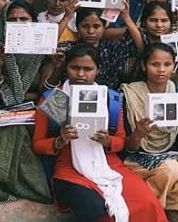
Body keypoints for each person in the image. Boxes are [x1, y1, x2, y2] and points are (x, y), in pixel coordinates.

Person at [32, 44, 167, 222]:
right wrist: (60, 140)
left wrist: (107, 141)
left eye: (88, 69)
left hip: (108, 164)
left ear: (98, 70)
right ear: (66, 68)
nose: (81, 74)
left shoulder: (109, 98)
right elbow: (37, 144)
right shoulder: (56, 98)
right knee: (97, 208)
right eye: (75, 68)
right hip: (69, 167)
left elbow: (120, 141)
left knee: (147, 202)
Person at [0, 0, 52, 203]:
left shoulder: (43, 49)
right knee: (9, 125)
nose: (18, 23)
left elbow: (45, 90)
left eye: (24, 19)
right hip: (0, 106)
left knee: (16, 123)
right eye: (12, 20)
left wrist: (26, 99)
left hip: (35, 108)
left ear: (33, 21)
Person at [122, 43, 178, 221]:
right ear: (143, 66)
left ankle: (175, 208)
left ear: (174, 66)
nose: (161, 70)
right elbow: (126, 148)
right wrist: (139, 134)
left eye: (167, 64)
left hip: (170, 153)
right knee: (169, 168)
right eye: (155, 64)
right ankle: (156, 208)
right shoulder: (128, 95)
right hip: (136, 157)